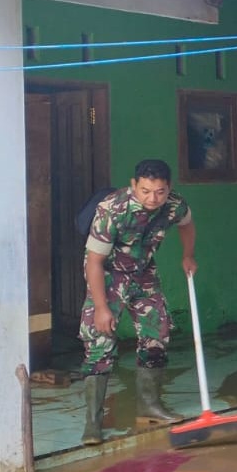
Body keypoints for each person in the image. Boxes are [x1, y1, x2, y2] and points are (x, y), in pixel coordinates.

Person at [79, 158, 198, 445]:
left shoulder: (174, 205)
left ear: (168, 188)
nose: (152, 198)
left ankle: (149, 406)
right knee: (100, 342)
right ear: (134, 185)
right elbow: (94, 262)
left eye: (159, 191)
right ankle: (93, 423)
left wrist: (187, 255)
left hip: (144, 273)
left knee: (157, 334)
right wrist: (102, 307)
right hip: (108, 276)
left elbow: (187, 225)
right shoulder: (112, 210)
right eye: (145, 191)